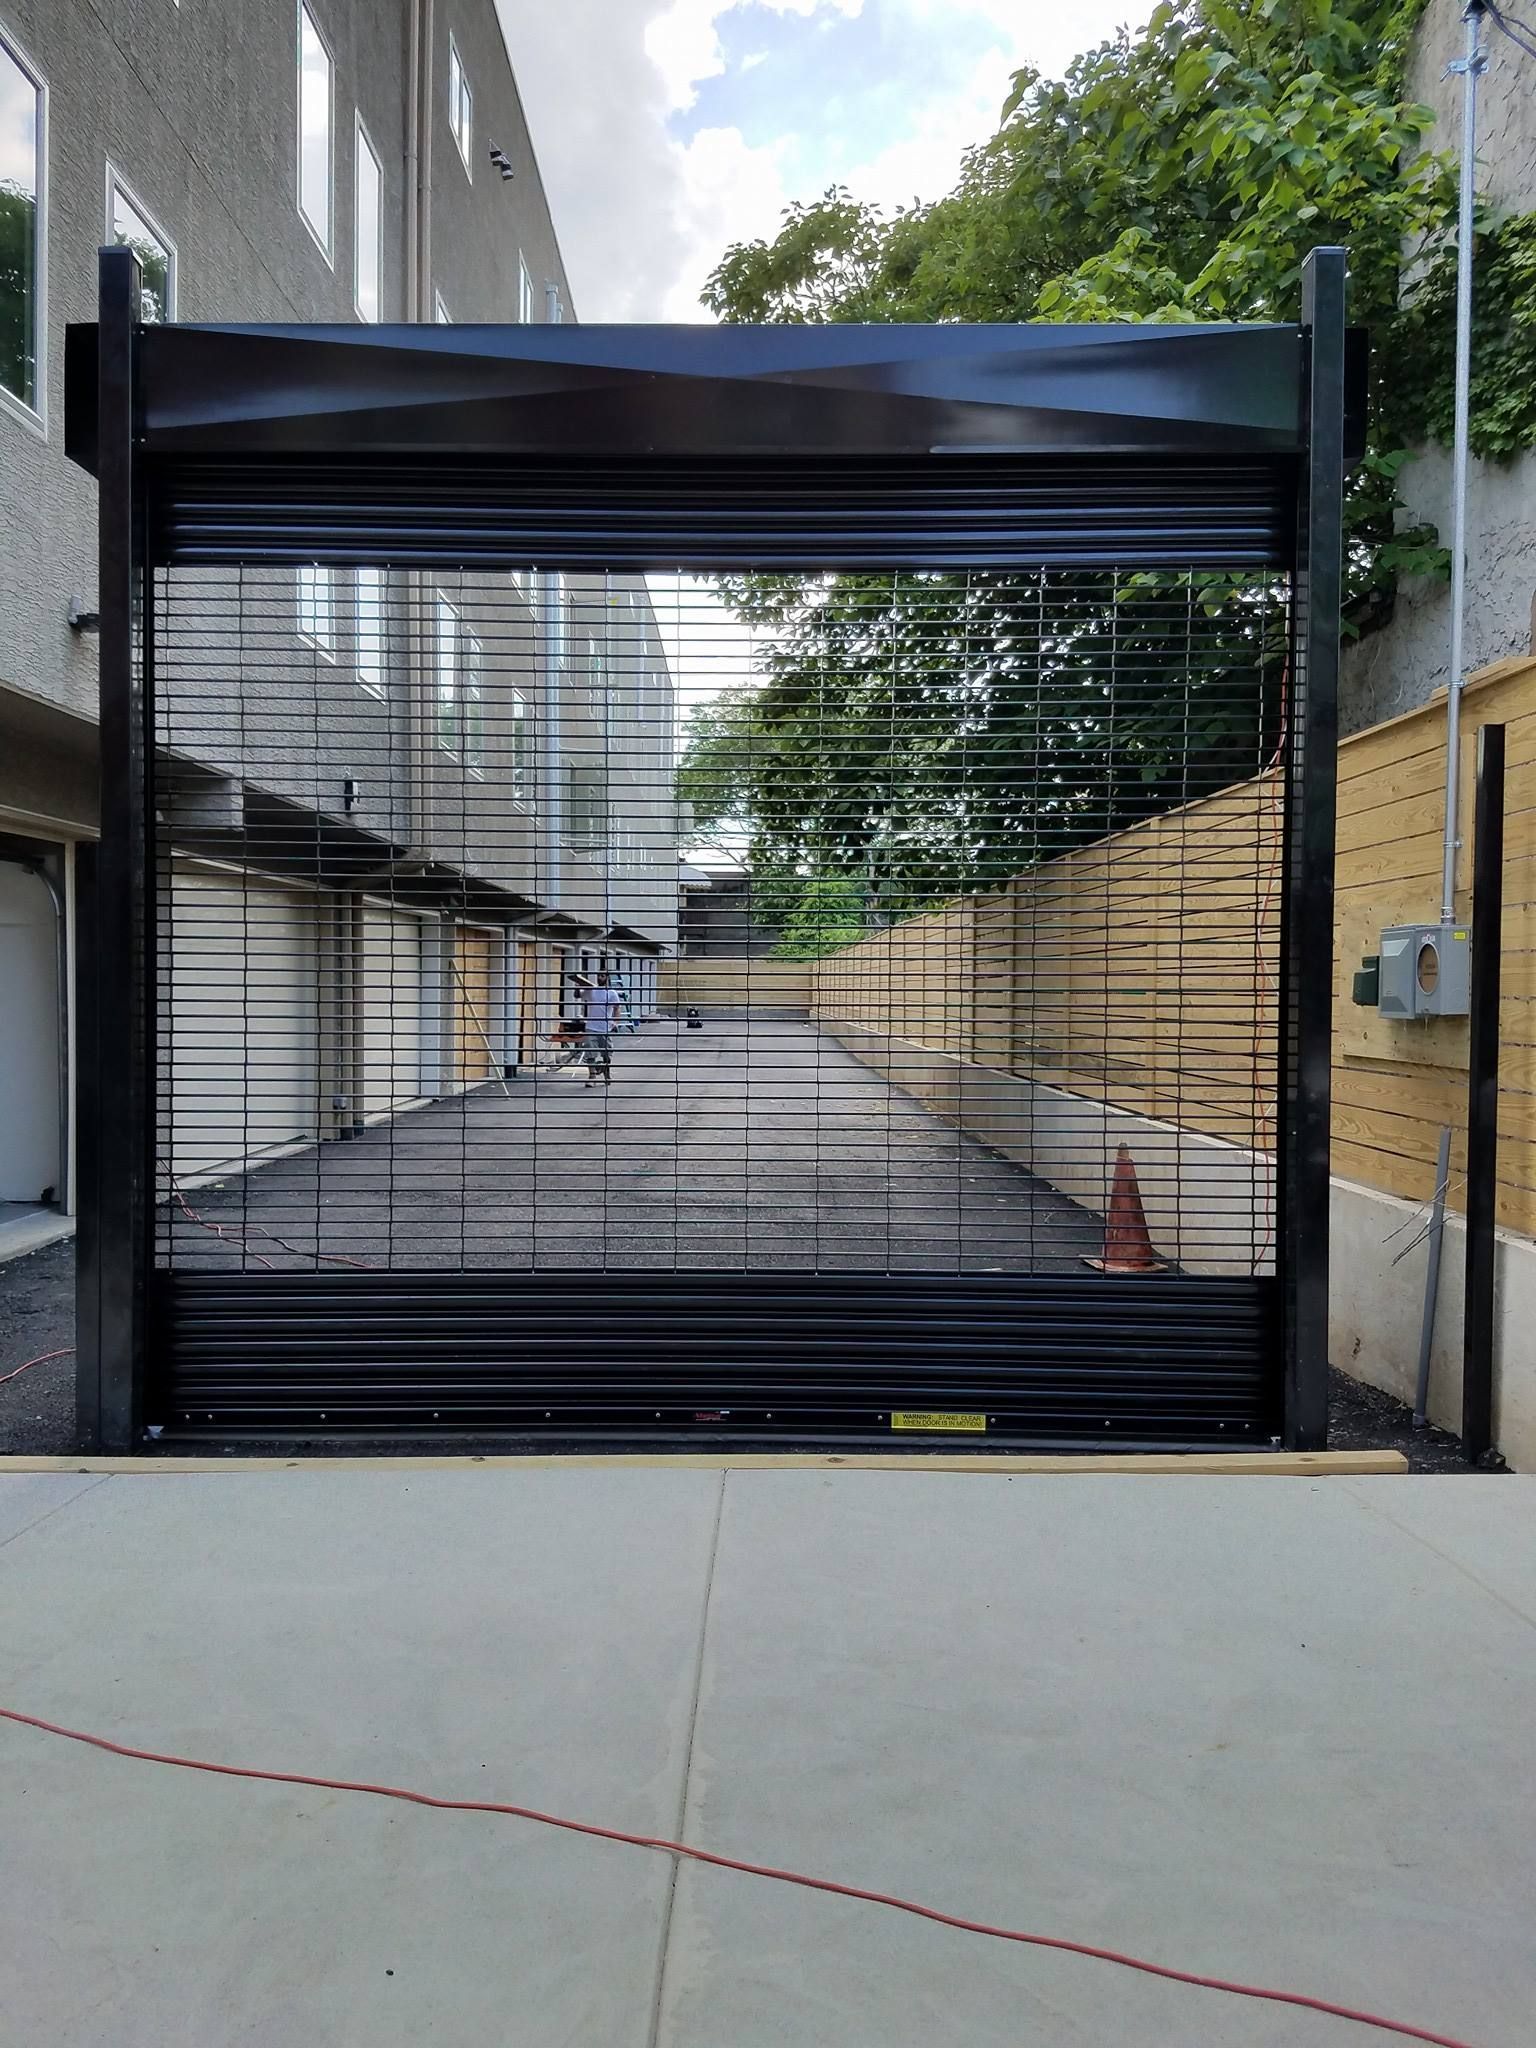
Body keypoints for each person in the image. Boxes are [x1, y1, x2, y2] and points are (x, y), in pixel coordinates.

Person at [581, 972, 623, 1087]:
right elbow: (578, 996)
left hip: (605, 1028)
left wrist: (616, 1022)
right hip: (591, 1027)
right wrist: (577, 986)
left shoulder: (611, 993)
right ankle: (592, 1076)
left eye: (602, 976)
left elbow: (617, 1008)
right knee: (590, 1052)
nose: (600, 977)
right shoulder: (591, 990)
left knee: (607, 1053)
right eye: (599, 975)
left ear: (607, 978)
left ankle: (606, 1072)